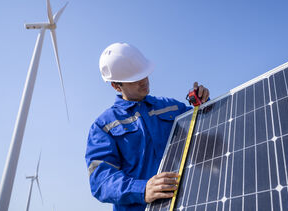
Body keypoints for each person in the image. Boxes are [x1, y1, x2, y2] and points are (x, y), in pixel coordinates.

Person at [85, 42, 210, 211]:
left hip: (185, 203)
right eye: (135, 79)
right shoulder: (103, 127)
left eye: (144, 74)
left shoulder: (172, 107)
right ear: (116, 85)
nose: (143, 81)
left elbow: (205, 125)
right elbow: (101, 181)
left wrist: (204, 103)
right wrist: (142, 189)